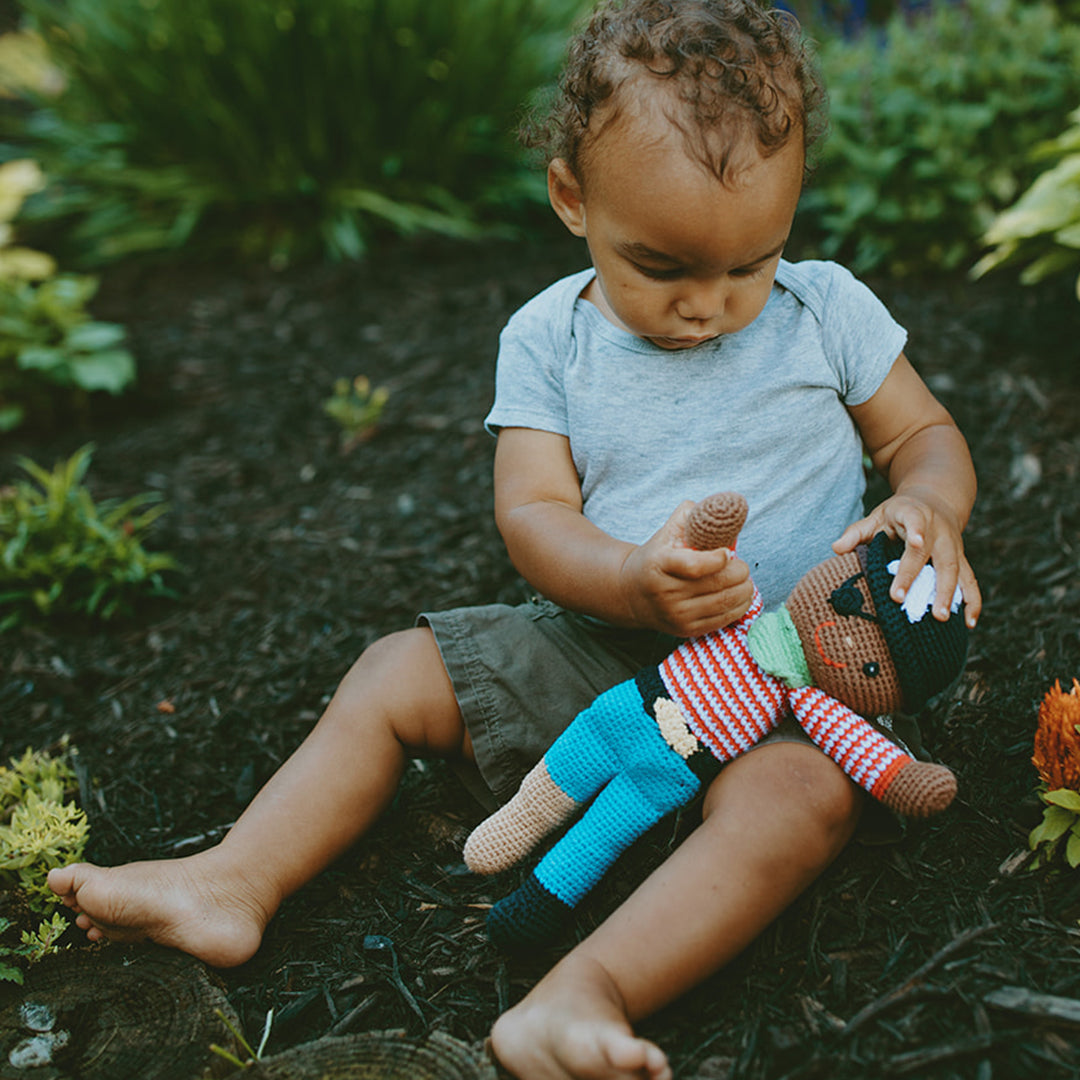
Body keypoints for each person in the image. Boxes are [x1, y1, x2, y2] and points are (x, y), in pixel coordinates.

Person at [48, 2, 982, 1077]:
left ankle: (590, 991)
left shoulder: (827, 311)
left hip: (802, 687)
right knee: (397, 670)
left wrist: (930, 506)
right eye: (664, 266)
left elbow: (923, 433)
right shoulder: (551, 339)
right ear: (571, 199)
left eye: (750, 263)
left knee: (805, 801)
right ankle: (236, 878)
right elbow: (532, 516)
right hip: (606, 655)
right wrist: (633, 582)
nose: (709, 307)